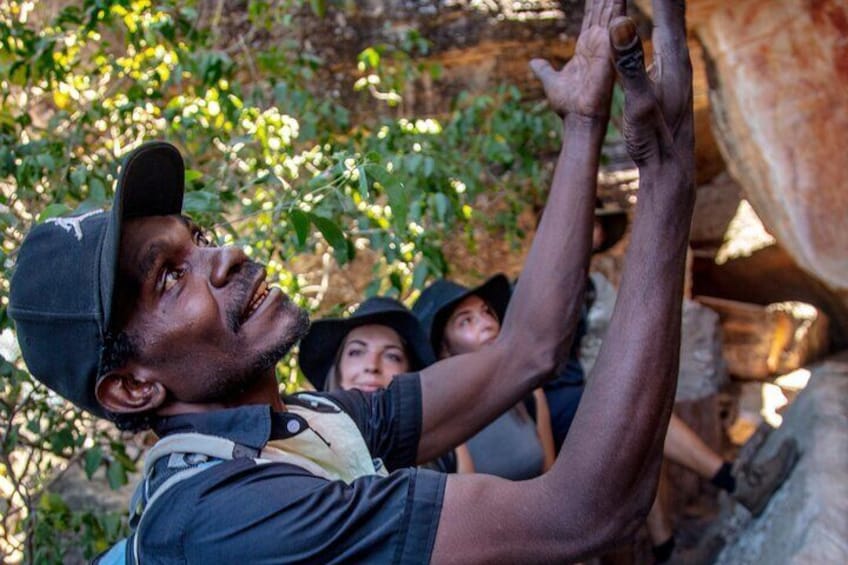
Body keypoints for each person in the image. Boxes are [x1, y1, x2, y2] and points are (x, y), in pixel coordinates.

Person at [8, 1, 704, 561]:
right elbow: (583, 513)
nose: (225, 256)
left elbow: (528, 347)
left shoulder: (308, 424)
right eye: (168, 278)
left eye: (199, 237)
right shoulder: (221, 517)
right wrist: (667, 180)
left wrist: (584, 121)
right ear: (133, 386)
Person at [586, 204, 799, 562]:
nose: (594, 233)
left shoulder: (595, 283)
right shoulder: (559, 285)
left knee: (640, 428)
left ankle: (667, 549)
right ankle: (736, 483)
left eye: (597, 227)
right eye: (588, 224)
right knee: (640, 418)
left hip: (605, 391)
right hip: (573, 397)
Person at [298, 295, 474, 473]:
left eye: (392, 356)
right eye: (357, 352)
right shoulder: (303, 444)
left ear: (410, 372)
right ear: (338, 368)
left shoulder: (449, 449)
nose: (372, 366)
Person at [412, 275, 556, 479]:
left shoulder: (528, 392)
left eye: (487, 312)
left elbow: (549, 476)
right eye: (466, 321)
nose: (487, 323)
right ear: (444, 349)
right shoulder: (438, 417)